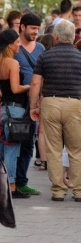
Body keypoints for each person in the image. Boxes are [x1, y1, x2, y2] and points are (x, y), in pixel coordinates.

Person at [29, 20, 81, 201]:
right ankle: (79, 191)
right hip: (75, 104)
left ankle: (58, 191)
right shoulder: (79, 56)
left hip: (50, 103)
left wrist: (34, 106)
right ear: (73, 36)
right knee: (76, 150)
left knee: (54, 149)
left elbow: (35, 83)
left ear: (56, 36)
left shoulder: (45, 56)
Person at [0, 29, 30, 198]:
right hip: (16, 108)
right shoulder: (12, 63)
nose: (19, 45)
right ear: (11, 44)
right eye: (17, 42)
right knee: (12, 147)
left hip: (3, 108)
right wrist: (29, 87)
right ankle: (11, 186)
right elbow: (16, 88)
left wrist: (4, 97)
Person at [13, 13, 44, 197]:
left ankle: (22, 180)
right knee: (13, 140)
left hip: (35, 102)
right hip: (17, 100)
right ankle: (11, 180)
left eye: (38, 29)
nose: (35, 32)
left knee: (29, 142)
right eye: (33, 28)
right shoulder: (14, 47)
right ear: (22, 27)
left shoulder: (40, 48)